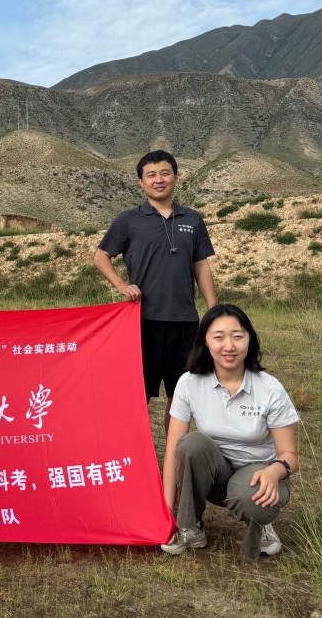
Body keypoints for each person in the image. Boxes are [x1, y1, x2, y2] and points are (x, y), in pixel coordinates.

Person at [160, 304, 300, 558]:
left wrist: (275, 471)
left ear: (249, 339)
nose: (229, 346)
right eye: (218, 337)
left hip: (258, 476)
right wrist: (166, 514)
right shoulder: (189, 383)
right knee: (191, 444)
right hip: (216, 475)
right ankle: (188, 526)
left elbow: (289, 455)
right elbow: (172, 452)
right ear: (205, 341)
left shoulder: (270, 388)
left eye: (237, 336)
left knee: (250, 496)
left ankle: (261, 526)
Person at [94, 149, 217, 434]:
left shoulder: (193, 219)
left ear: (176, 177)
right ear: (141, 181)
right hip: (141, 321)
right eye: (151, 175)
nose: (158, 180)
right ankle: (134, 452)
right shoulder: (128, 220)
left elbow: (201, 265)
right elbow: (101, 256)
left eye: (164, 173)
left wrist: (213, 310)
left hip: (185, 322)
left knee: (181, 396)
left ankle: (173, 455)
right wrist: (122, 285)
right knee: (138, 394)